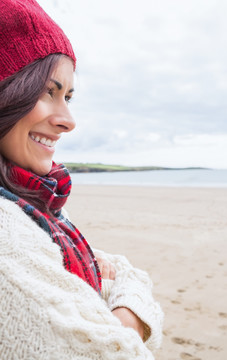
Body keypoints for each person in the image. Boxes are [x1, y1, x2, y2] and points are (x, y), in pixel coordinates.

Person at [0, 1, 164, 359]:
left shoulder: (36, 207)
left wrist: (114, 281)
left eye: (68, 97)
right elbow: (117, 352)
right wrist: (130, 313)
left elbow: (113, 265)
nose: (68, 120)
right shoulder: (7, 234)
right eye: (48, 91)